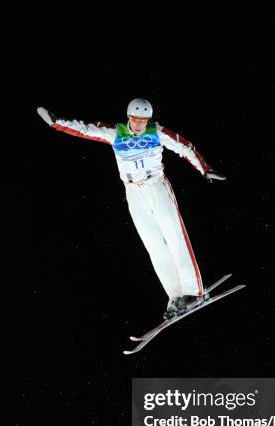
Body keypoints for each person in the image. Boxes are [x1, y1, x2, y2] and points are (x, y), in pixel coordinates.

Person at [36, 98, 226, 319]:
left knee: (174, 235)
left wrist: (204, 169)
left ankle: (194, 292)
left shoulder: (157, 132)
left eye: (143, 120)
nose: (139, 124)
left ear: (149, 120)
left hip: (156, 185)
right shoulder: (116, 132)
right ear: (129, 117)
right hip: (133, 191)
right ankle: (176, 296)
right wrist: (56, 122)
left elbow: (184, 146)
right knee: (153, 243)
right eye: (135, 119)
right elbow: (85, 129)